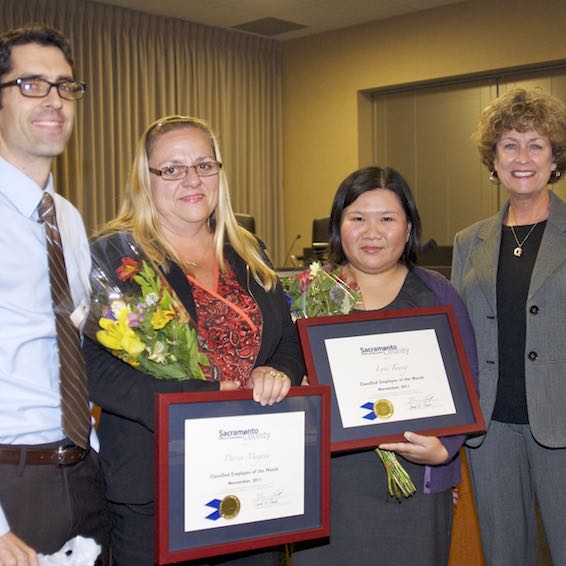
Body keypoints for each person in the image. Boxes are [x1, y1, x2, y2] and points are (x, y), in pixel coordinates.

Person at [84, 115, 304, 565]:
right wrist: (193, 401)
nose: (191, 179)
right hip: (155, 481)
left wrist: (277, 370)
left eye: (204, 165)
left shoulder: (247, 248)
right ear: (145, 179)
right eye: (172, 168)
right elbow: (91, 366)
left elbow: (288, 339)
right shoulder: (117, 255)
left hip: (251, 474)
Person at [291, 166, 478, 566]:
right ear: (338, 226)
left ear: (408, 228)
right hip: (328, 486)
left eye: (387, 219)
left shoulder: (437, 294)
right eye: (357, 218)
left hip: (414, 481)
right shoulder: (310, 295)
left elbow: (469, 385)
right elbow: (283, 375)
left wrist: (443, 451)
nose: (371, 232)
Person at [0, 24, 109, 565]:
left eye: (66, 87)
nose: (55, 101)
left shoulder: (66, 217)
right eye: (31, 85)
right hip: (11, 482)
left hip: (82, 471)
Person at [451, 88, 566, 565]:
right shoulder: (468, 240)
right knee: (503, 554)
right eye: (509, 145)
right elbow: (455, 336)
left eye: (536, 144)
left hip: (561, 423)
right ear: (493, 160)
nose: (522, 157)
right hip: (491, 428)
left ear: (555, 158)